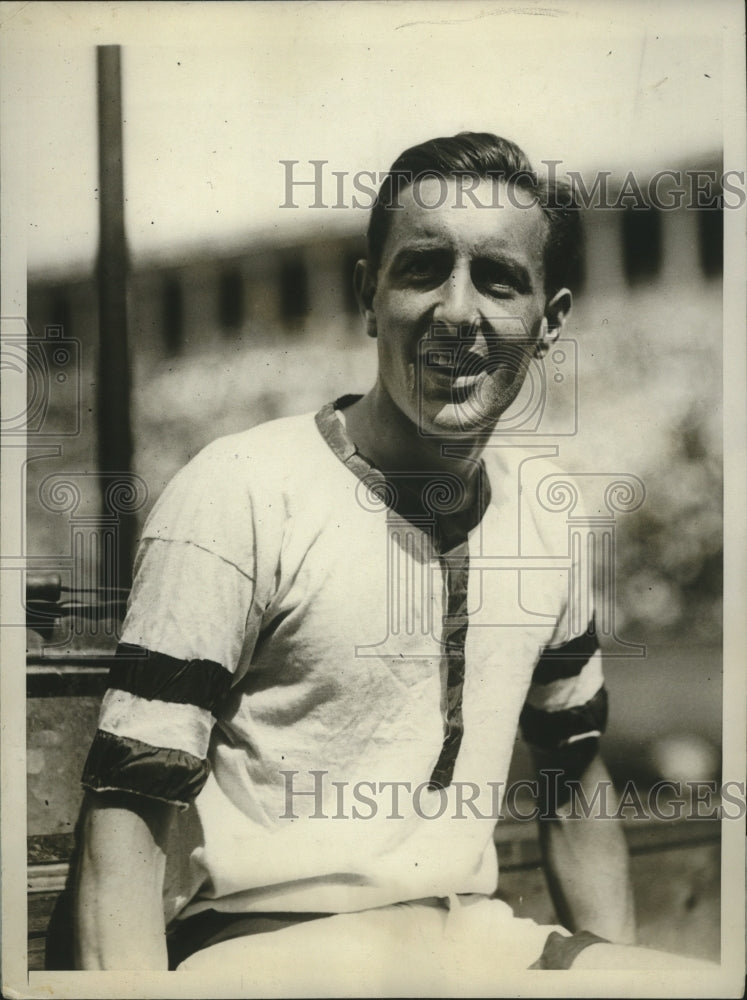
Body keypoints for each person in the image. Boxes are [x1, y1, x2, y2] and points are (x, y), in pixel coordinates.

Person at [71, 132, 712, 983]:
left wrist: (609, 962)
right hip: (271, 949)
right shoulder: (241, 488)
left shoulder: (549, 520)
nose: (456, 313)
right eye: (420, 270)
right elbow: (123, 811)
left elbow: (574, 773)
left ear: (548, 321)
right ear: (367, 294)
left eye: (496, 279)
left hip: (473, 939)